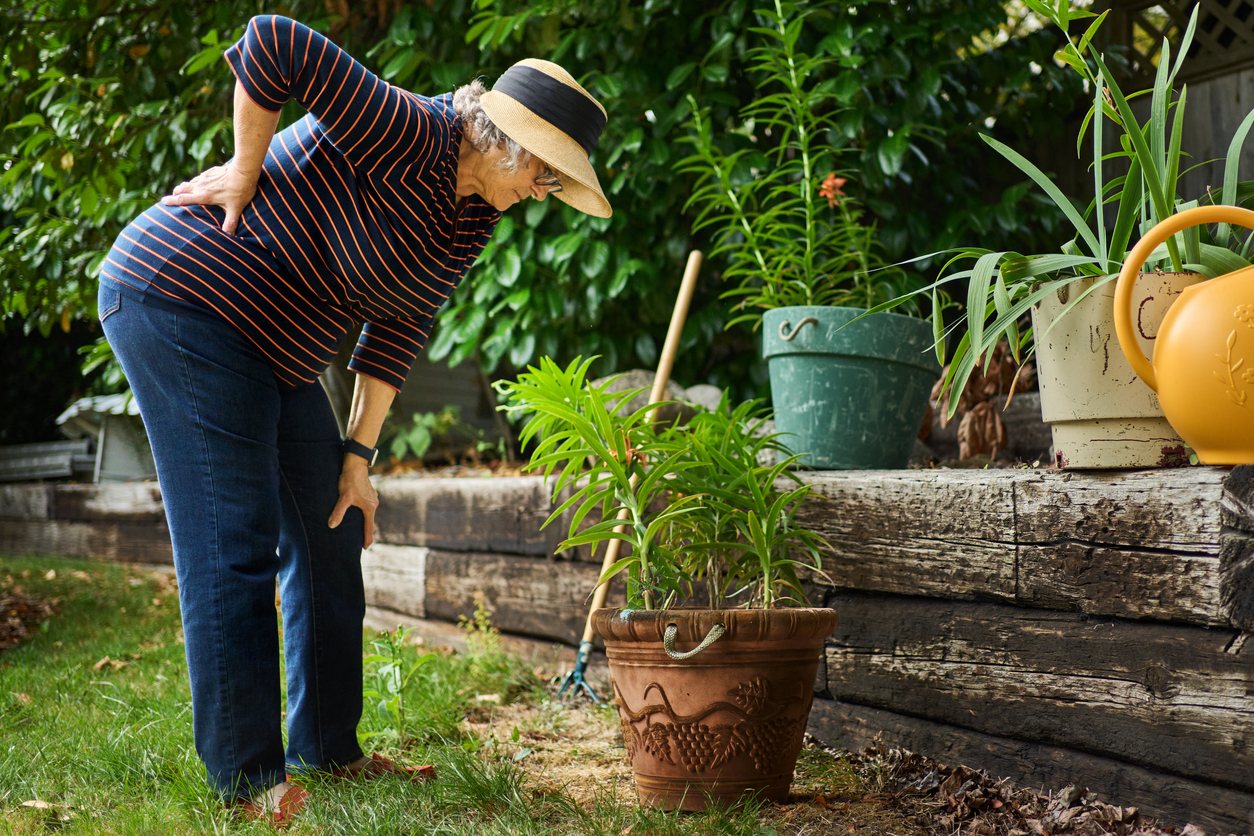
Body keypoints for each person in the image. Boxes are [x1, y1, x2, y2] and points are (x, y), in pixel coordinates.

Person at [98, 15, 610, 825]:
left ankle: (328, 751)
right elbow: (272, 41)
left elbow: (398, 328)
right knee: (234, 540)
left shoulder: (475, 212)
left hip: (277, 351)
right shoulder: (410, 130)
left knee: (332, 526)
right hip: (183, 300)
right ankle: (246, 781)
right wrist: (243, 166)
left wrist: (358, 457)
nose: (542, 196)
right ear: (512, 147)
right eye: (546, 178)